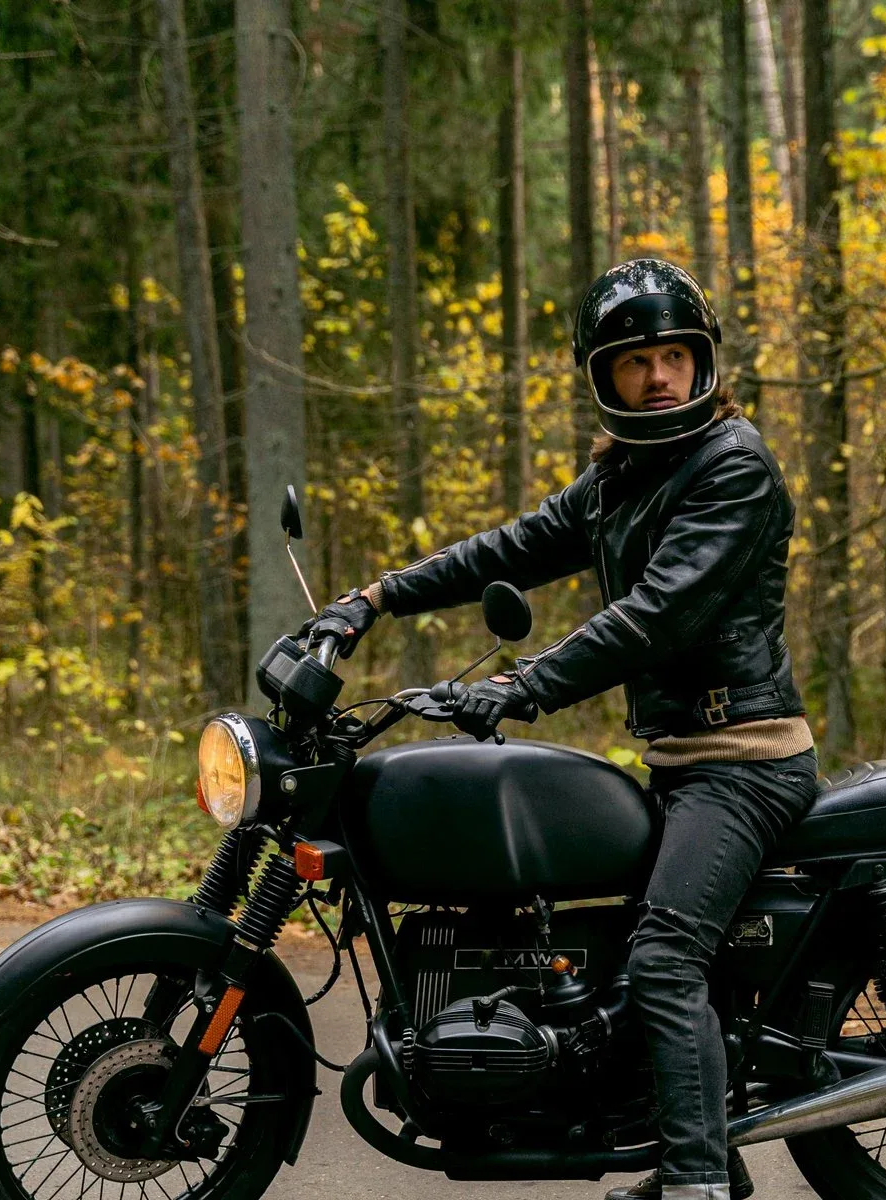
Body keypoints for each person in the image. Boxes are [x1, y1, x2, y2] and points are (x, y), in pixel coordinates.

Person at [308, 258, 818, 1200]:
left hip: (742, 763)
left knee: (667, 957)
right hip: (679, 760)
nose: (659, 376)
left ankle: (698, 1185)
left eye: (675, 355)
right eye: (636, 362)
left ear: (704, 363)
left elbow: (657, 616)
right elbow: (510, 548)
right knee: (618, 955)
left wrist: (522, 686)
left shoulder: (733, 465)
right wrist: (374, 597)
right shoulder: (623, 476)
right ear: (604, 376)